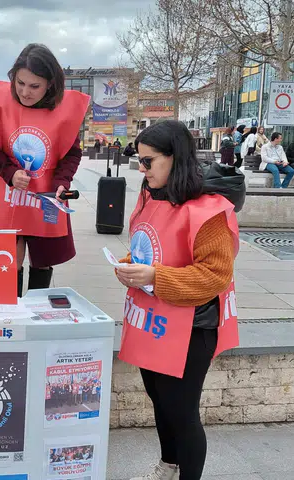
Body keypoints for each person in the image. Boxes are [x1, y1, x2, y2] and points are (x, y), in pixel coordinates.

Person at [114, 120, 242, 480]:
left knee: (182, 412)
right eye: (139, 160)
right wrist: (131, 267)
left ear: (175, 159)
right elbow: (152, 248)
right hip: (153, 321)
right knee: (160, 401)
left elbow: (213, 276)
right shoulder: (150, 193)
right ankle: (168, 467)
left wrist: (154, 276)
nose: (142, 169)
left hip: (191, 328)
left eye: (148, 161)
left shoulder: (209, 211)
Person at [0, 44, 90, 296]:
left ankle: (36, 316)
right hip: (10, 197)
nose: (25, 92)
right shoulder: (0, 104)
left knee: (42, 259)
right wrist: (9, 172)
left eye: (34, 86)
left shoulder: (65, 111)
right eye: (20, 83)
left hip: (46, 198)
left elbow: (72, 153)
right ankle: (8, 312)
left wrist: (62, 181)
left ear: (50, 84)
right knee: (8, 257)